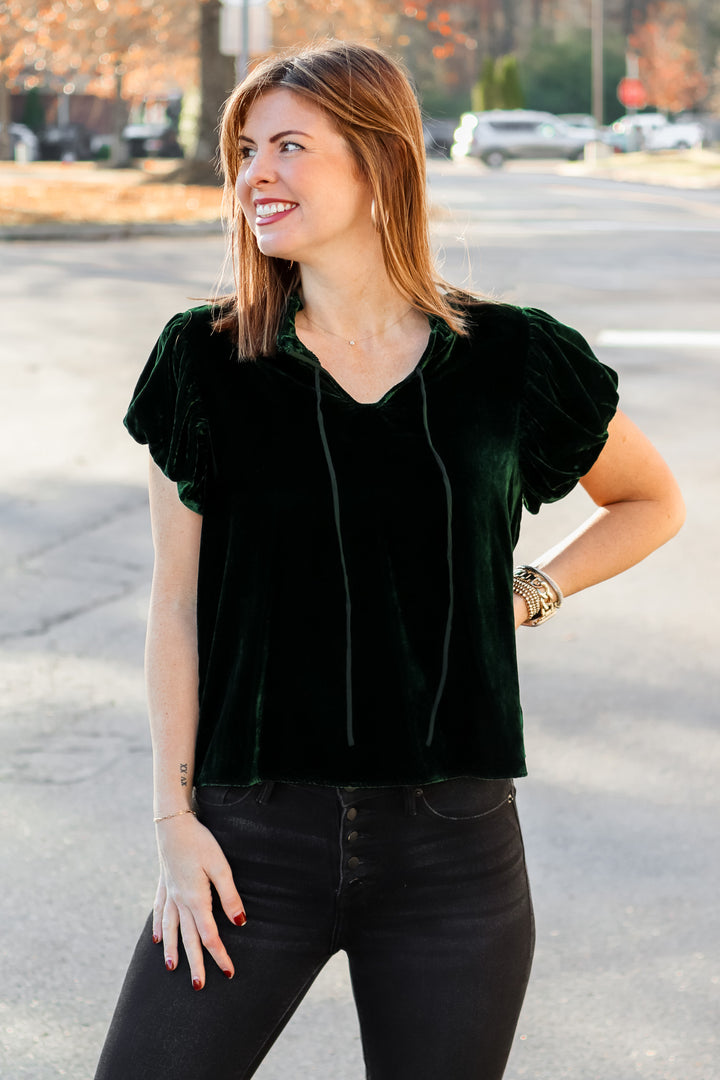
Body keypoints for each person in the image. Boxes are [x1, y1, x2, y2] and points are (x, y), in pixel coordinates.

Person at [94, 40, 684, 1080]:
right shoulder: (204, 361)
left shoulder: (511, 358)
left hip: (455, 855)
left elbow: (652, 500)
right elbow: (177, 610)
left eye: (288, 146)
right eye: (243, 150)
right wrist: (173, 824)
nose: (253, 176)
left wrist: (527, 593)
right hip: (246, 846)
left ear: (379, 165)